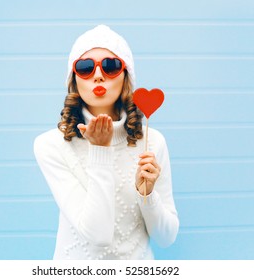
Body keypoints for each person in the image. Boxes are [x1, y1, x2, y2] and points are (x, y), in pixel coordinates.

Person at [34, 25, 179, 260]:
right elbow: (98, 235)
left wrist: (148, 195)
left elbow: (166, 237)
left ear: (126, 76)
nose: (98, 75)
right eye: (85, 67)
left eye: (111, 66)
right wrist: (100, 150)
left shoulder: (153, 142)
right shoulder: (51, 145)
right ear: (73, 80)